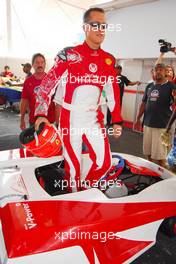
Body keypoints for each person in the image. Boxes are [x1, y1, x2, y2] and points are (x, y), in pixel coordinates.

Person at [34, 7, 123, 193]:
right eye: (95, 25)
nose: (101, 30)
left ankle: (87, 193)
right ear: (85, 27)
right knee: (72, 168)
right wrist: (40, 114)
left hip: (94, 119)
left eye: (104, 26)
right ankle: (73, 201)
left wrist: (117, 120)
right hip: (70, 119)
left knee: (105, 162)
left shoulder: (109, 60)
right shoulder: (69, 55)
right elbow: (47, 84)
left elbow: (113, 93)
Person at [135, 63, 176, 167]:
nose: (158, 71)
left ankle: (163, 180)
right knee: (148, 154)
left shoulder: (171, 86)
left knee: (161, 157)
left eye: (160, 69)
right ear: (153, 72)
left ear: (165, 72)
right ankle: (151, 175)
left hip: (162, 126)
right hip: (147, 124)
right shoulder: (149, 86)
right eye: (156, 70)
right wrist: (138, 118)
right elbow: (144, 103)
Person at [20, 53, 56, 130]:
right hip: (34, 122)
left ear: (45, 64)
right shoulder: (28, 81)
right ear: (33, 65)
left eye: (42, 62)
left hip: (50, 121)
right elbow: (24, 102)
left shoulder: (52, 80)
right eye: (37, 62)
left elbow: (58, 102)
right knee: (35, 142)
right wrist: (22, 119)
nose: (40, 65)